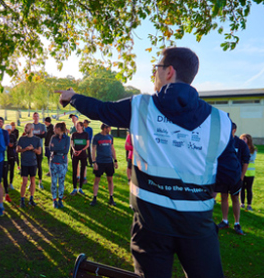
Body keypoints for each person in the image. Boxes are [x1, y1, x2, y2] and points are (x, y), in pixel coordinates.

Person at [56, 47, 241, 277]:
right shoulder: (220, 120)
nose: (155, 74)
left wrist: (72, 96)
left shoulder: (142, 107)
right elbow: (231, 177)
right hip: (198, 228)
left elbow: (102, 110)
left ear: (169, 72)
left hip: (151, 227)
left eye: (157, 69)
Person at [215, 122, 250, 235]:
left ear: (234, 130)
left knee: (235, 198)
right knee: (223, 197)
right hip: (223, 175)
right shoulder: (221, 142)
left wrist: (241, 176)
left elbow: (246, 160)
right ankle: (225, 221)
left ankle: (236, 223)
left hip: (235, 177)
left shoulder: (240, 144)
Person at [90, 124, 117, 206]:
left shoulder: (110, 137)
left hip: (109, 162)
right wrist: (94, 162)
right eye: (109, 127)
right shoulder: (97, 137)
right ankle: (94, 198)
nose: (110, 129)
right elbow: (93, 150)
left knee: (110, 180)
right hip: (100, 162)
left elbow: (112, 149)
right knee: (97, 180)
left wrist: (115, 160)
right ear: (105, 128)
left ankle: (111, 198)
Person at [17, 123, 42, 208]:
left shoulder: (37, 139)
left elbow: (39, 152)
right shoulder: (22, 139)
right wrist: (25, 149)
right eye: (25, 127)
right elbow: (17, 150)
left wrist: (33, 149)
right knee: (24, 182)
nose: (25, 129)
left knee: (32, 181)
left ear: (31, 129)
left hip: (33, 163)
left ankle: (31, 199)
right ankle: (22, 199)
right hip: (24, 163)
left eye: (26, 127)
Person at [49, 122, 70, 208]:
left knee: (61, 182)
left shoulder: (67, 138)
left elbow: (66, 151)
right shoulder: (53, 137)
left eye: (55, 128)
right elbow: (50, 148)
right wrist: (60, 148)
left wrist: (56, 148)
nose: (53, 130)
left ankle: (60, 199)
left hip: (63, 163)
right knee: (54, 182)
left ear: (59, 129)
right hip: (53, 162)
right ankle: (54, 200)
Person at [70, 121, 89, 195]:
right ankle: (74, 188)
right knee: (74, 171)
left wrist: (81, 151)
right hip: (75, 154)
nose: (77, 127)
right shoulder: (73, 134)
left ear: (82, 126)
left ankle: (80, 188)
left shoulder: (85, 134)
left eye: (78, 126)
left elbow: (87, 144)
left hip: (83, 154)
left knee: (82, 170)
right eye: (76, 126)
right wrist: (74, 150)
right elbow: (72, 144)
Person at [0, 117, 12, 203]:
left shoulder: (5, 132)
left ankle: (6, 194)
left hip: (4, 157)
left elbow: (6, 143)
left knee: (5, 177)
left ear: (3, 123)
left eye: (1, 122)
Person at [239, 133, 256, 211]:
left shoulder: (253, 150)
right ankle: (242, 203)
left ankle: (249, 205)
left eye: (244, 139)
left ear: (248, 140)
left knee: (249, 189)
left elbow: (251, 159)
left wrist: (243, 157)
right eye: (242, 138)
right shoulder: (240, 148)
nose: (243, 140)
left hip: (250, 173)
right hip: (241, 172)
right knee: (241, 188)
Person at [32, 112, 46, 189]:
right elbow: (28, 135)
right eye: (35, 116)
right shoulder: (31, 125)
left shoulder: (42, 126)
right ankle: (31, 182)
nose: (36, 117)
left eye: (37, 116)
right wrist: (39, 135)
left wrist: (33, 135)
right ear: (33, 117)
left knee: (39, 165)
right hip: (31, 148)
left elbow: (44, 135)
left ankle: (40, 182)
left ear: (39, 117)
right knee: (31, 166)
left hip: (39, 148)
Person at [6, 124, 18, 190]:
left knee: (12, 170)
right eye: (7, 130)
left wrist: (12, 145)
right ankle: (5, 183)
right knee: (5, 170)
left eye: (9, 130)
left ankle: (11, 183)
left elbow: (16, 144)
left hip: (12, 155)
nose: (8, 131)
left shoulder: (13, 136)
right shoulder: (3, 136)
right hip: (5, 155)